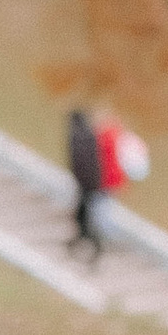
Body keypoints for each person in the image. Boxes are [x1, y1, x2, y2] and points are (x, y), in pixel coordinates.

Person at [67, 105, 105, 258]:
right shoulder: (88, 134)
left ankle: (90, 243)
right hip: (91, 182)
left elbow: (79, 161)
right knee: (83, 214)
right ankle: (83, 241)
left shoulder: (78, 136)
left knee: (83, 215)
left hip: (87, 183)